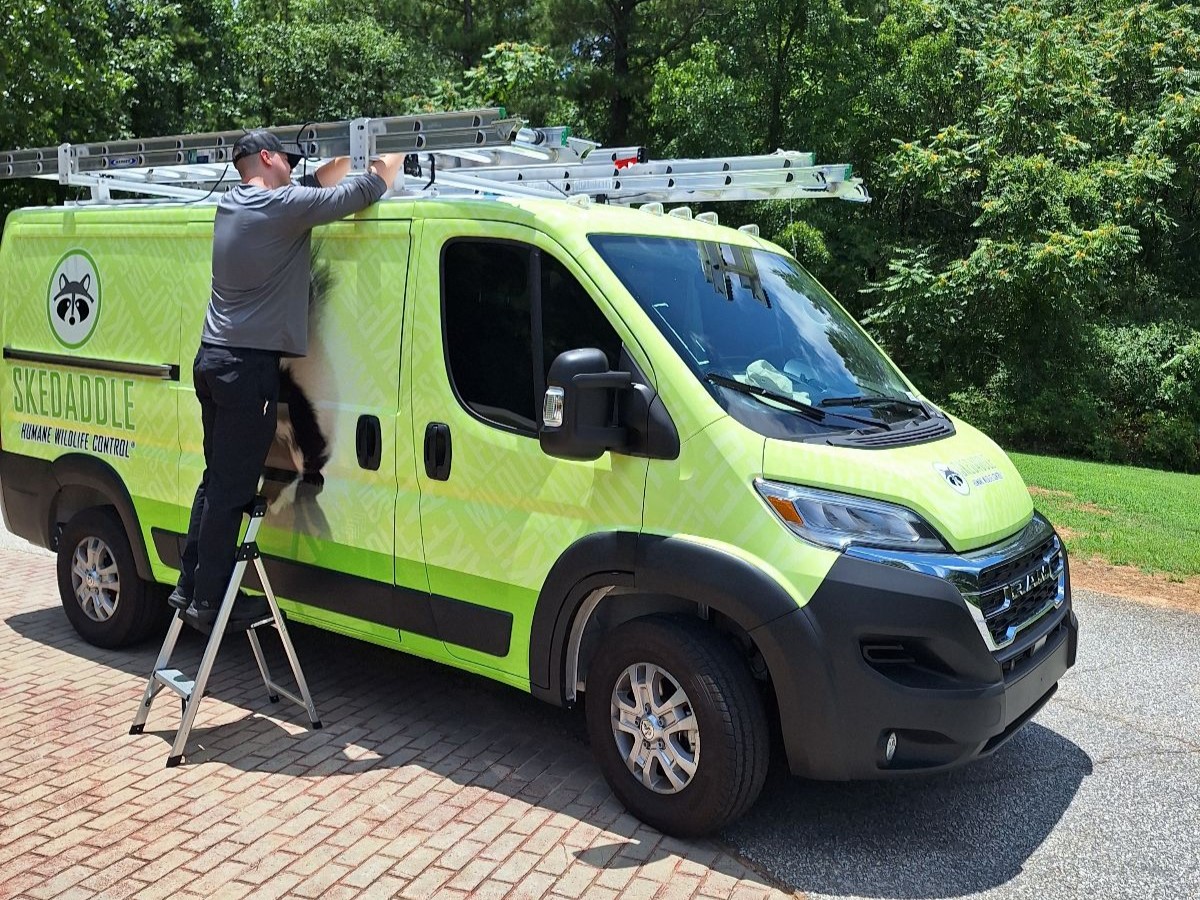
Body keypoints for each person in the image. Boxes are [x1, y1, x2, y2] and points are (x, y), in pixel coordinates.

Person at [169, 130, 404, 627]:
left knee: (216, 481)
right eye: (289, 162)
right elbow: (361, 191)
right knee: (232, 490)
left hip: (213, 360)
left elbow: (314, 186)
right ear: (269, 158)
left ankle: (188, 586)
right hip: (245, 371)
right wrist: (393, 153)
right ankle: (210, 604)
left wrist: (344, 154)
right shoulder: (281, 208)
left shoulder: (233, 206)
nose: (295, 170)